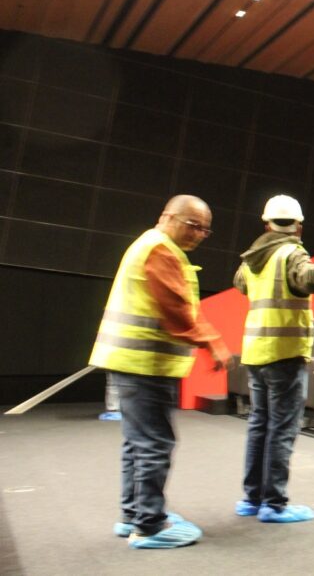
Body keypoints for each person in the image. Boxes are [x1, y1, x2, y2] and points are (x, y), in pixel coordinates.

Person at [88, 195, 234, 549]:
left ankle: (134, 514)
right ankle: (150, 525)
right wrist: (213, 342)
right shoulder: (160, 250)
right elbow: (176, 310)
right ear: (168, 216)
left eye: (205, 230)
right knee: (154, 444)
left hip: (136, 363)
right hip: (145, 365)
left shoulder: (153, 245)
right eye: (193, 225)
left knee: (137, 444)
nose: (198, 234)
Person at [233, 195, 314, 523]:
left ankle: (252, 498)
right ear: (298, 226)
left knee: (259, 426)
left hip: (255, 352)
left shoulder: (252, 256)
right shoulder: (291, 252)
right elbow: (313, 280)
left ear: (266, 224)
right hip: (284, 354)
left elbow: (240, 284)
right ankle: (274, 504)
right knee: (282, 428)